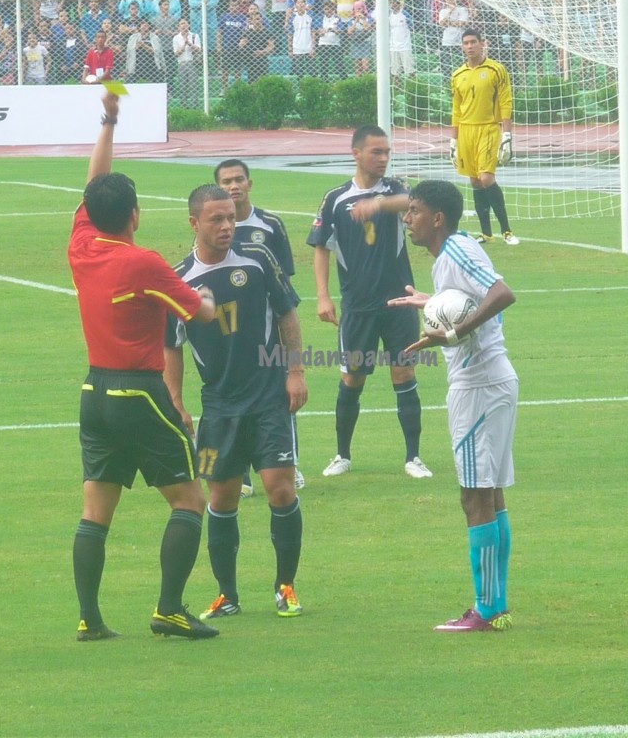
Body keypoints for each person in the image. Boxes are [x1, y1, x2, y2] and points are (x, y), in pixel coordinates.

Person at [68, 89, 219, 643]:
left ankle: (90, 618)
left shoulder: (83, 245)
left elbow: (95, 184)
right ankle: (169, 610)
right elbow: (200, 313)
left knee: (96, 509)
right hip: (140, 392)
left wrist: (107, 124)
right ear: (136, 215)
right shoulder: (143, 262)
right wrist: (208, 294)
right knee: (190, 500)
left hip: (95, 393)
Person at [163, 185, 308, 622]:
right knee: (222, 497)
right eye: (217, 219)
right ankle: (227, 594)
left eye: (230, 218)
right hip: (219, 406)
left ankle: (285, 587)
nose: (227, 226)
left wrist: (296, 371)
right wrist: (175, 400)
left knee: (280, 488)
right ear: (194, 223)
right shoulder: (180, 280)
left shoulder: (258, 259)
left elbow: (287, 313)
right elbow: (171, 344)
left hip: (268, 396)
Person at [388, 179, 518, 632]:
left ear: (437, 218)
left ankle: (487, 610)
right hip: (490, 381)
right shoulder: (453, 253)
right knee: (490, 494)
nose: (408, 219)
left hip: (479, 385)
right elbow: (475, 297)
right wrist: (436, 304)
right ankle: (495, 606)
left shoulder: (456, 251)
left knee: (474, 496)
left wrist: (453, 332)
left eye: (415, 211)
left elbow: (502, 294)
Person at [308, 125, 432, 480]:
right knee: (352, 378)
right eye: (376, 152)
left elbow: (414, 202)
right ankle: (342, 455)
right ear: (356, 153)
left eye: (387, 152)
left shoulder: (395, 189)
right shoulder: (336, 198)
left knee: (404, 373)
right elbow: (321, 247)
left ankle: (413, 457)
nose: (383, 158)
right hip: (358, 305)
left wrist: (377, 203)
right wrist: (323, 296)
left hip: (399, 302)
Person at [213, 158, 305, 496]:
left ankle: (289, 463)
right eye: (226, 181)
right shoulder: (213, 226)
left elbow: (284, 283)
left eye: (239, 179)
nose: (233, 186)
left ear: (249, 183)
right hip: (229, 329)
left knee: (281, 394)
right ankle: (241, 473)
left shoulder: (270, 225)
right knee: (232, 393)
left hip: (268, 327)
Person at [450, 28, 518, 247]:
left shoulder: (496, 69)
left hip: (488, 128)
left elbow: (506, 102)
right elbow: (456, 109)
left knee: (486, 178)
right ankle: (486, 233)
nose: (470, 46)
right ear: (462, 46)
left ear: (482, 43)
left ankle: (506, 231)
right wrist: (453, 141)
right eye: (466, 43)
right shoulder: (457, 75)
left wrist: (506, 134)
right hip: (466, 131)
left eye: (473, 42)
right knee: (475, 181)